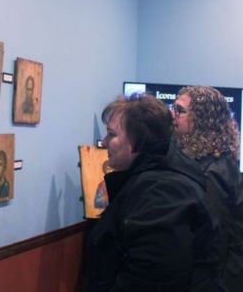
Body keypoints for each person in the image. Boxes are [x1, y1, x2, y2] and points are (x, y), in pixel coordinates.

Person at [87, 94, 218, 291]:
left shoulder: (161, 193)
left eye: (112, 134)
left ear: (138, 140)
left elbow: (151, 282)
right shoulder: (156, 179)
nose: (104, 142)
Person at [172, 86, 243, 291]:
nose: (172, 114)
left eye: (180, 110)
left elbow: (213, 241)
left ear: (202, 120)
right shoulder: (213, 161)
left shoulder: (212, 172)